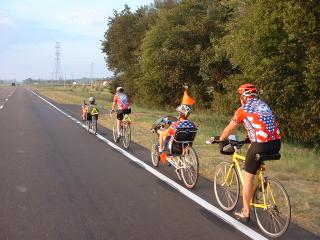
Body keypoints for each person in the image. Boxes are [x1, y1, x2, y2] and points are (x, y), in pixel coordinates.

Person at [215, 83, 281, 222]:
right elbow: (262, 124)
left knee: (247, 176)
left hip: (260, 145)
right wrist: (249, 137)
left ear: (244, 97)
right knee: (254, 166)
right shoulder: (264, 105)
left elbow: (229, 129)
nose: (240, 99)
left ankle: (245, 212)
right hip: (276, 144)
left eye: (240, 96)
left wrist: (220, 139)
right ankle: (257, 189)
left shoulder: (242, 109)